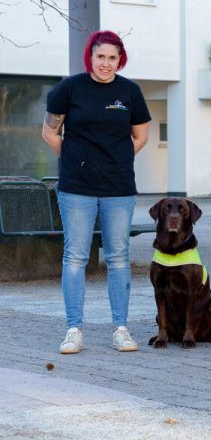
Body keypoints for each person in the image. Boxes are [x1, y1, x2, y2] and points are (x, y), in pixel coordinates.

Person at [42, 31, 151, 354]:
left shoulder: (129, 92)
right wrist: (76, 159)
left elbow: (140, 137)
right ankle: (74, 329)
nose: (106, 63)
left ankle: (121, 328)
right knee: (75, 256)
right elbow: (50, 132)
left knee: (118, 257)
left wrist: (113, 160)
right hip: (77, 187)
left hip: (118, 188)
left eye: (112, 58)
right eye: (100, 56)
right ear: (91, 56)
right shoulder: (69, 88)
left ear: (120, 60)